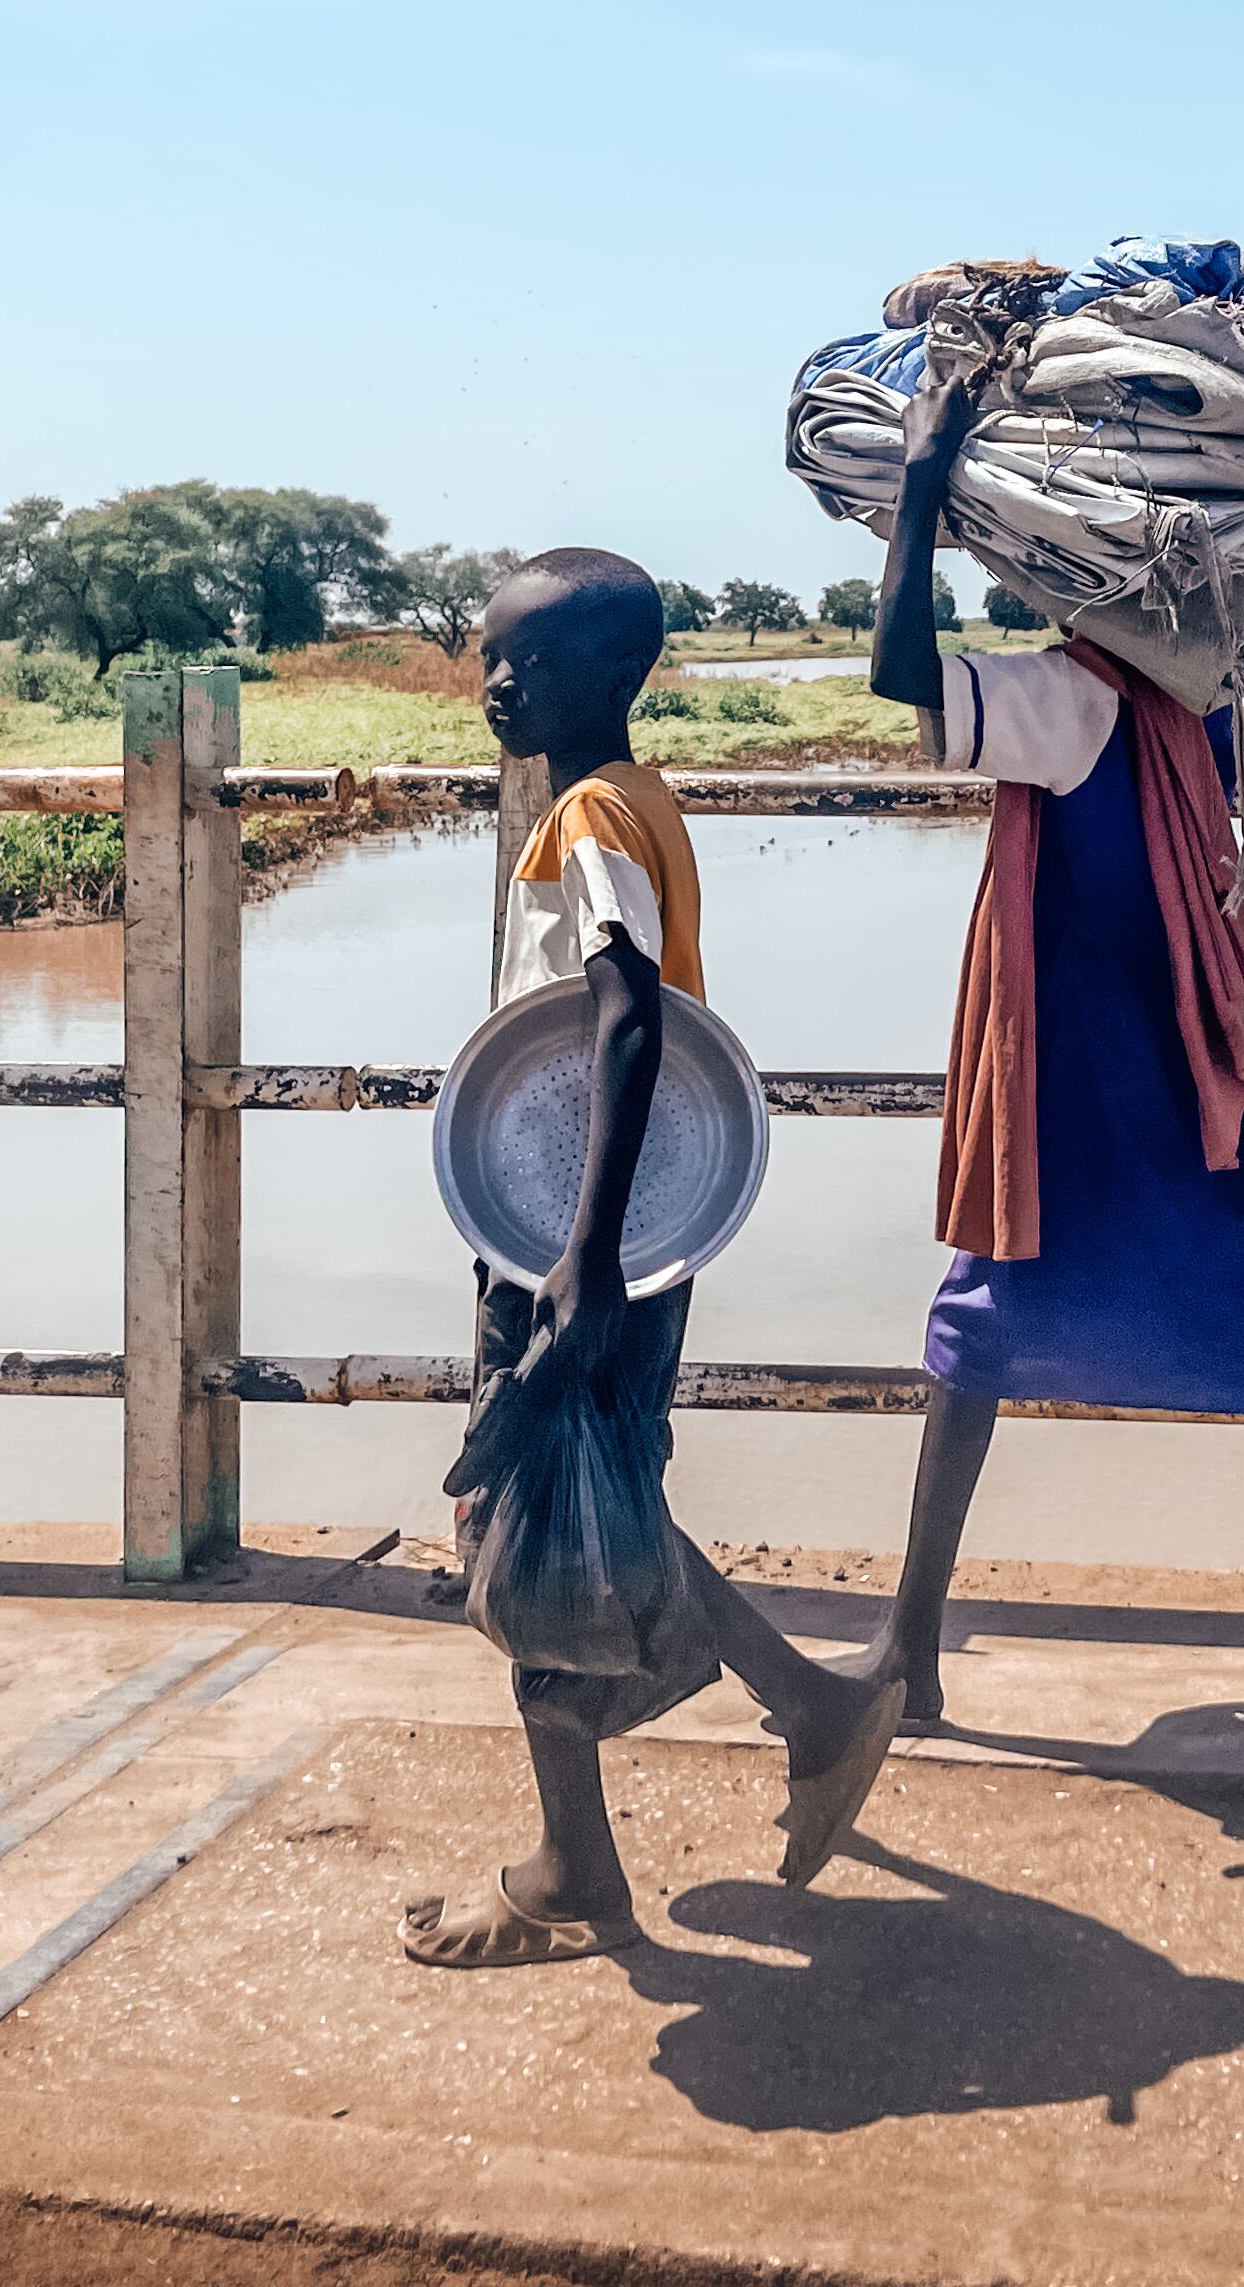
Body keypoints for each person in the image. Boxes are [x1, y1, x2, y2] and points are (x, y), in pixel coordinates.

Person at [850, 378, 1244, 1757]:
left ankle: (912, 1648)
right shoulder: (1201, 695)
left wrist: (931, 478)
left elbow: (901, 680)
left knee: (994, 1324)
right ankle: (911, 1644)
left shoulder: (1074, 699)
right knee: (1138, 1327)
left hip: (1093, 1085)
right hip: (1169, 1064)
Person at [400, 548, 905, 1968]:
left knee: (524, 1513)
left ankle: (576, 1865)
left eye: (536, 662)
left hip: (583, 1236)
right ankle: (804, 1701)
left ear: (617, 676)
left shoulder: (581, 821)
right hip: (619, 1228)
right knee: (589, 1493)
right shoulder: (645, 800)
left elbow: (623, 1017)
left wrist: (577, 1257)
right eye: (489, 655)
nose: (502, 681)